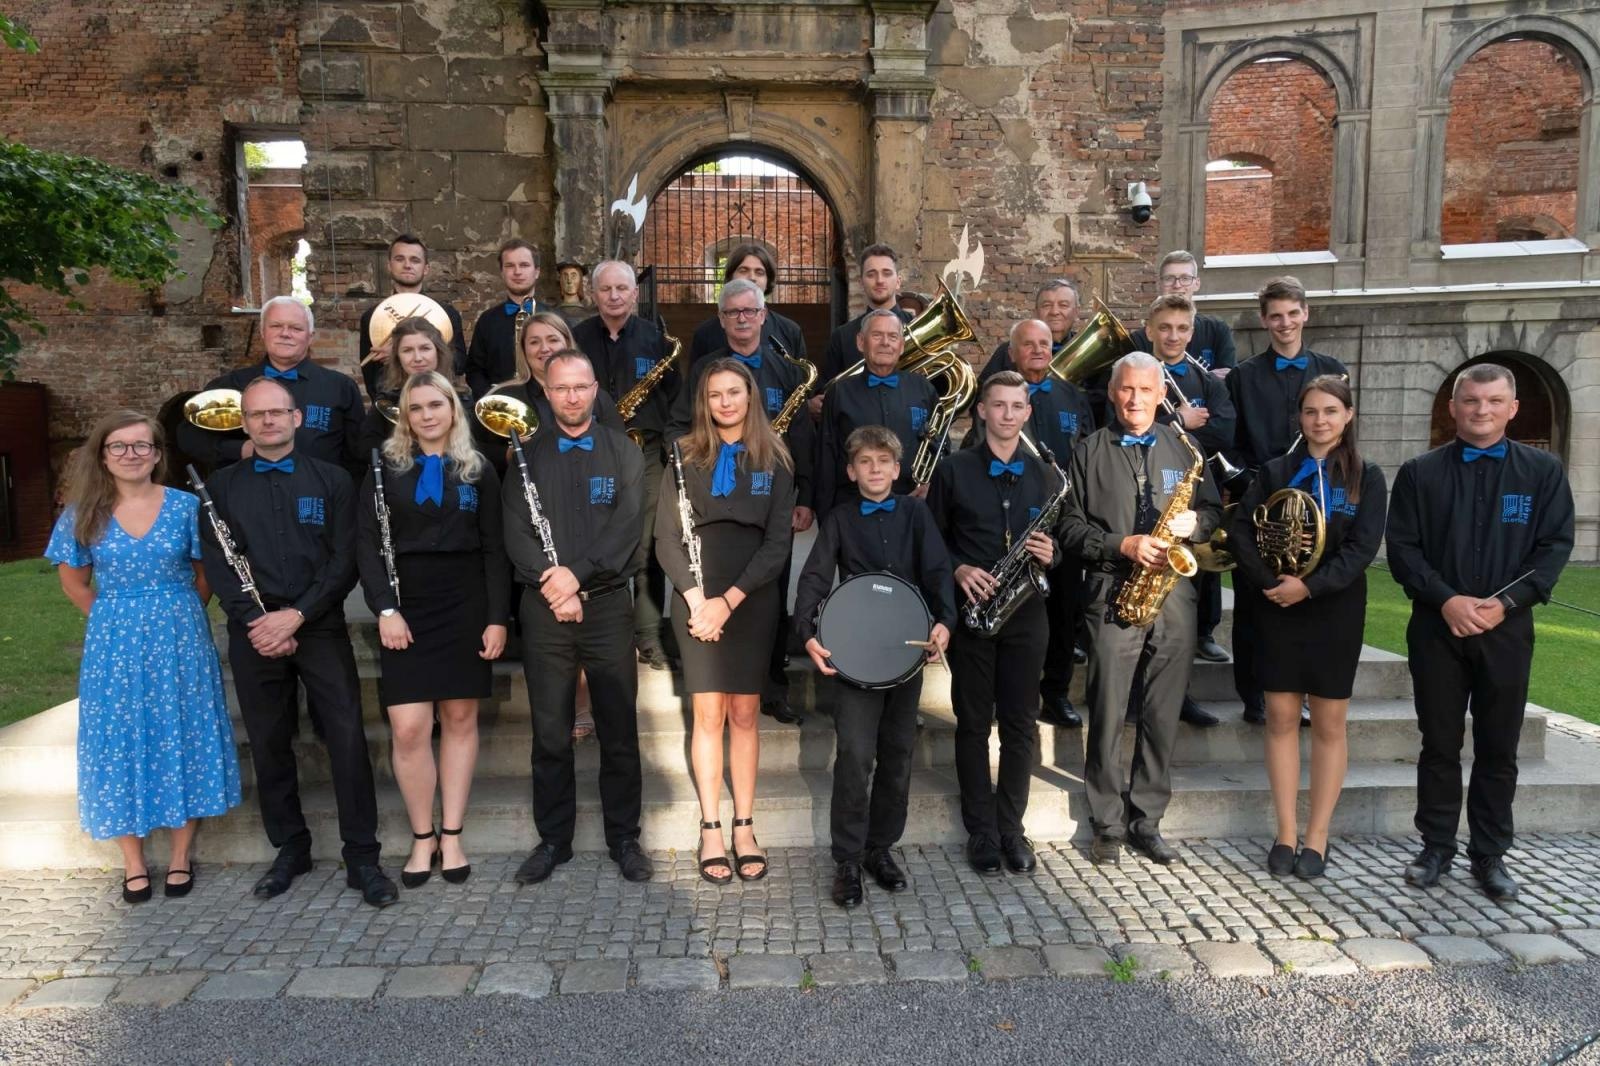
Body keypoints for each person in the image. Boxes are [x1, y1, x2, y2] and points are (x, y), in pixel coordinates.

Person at [199, 377, 396, 907]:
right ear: (245, 424)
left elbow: (344, 558)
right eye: (257, 415)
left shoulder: (333, 479)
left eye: (277, 412)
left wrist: (298, 615)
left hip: (320, 625)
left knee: (348, 737)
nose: (268, 421)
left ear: (297, 419)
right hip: (254, 633)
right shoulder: (220, 486)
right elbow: (219, 563)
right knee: (268, 739)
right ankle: (291, 847)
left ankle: (363, 855)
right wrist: (261, 623)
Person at [1386, 363, 1574, 901]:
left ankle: (1490, 855)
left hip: (1507, 631)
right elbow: (1403, 549)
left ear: (1512, 408)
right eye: (1471, 400)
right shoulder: (1420, 472)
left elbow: (1555, 547)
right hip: (1436, 628)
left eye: (1493, 401)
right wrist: (1446, 599)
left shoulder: (1543, 472)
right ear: (1453, 406)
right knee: (1439, 744)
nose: (1481, 410)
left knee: (1499, 747)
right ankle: (1436, 846)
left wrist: (1505, 603)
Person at [45, 411, 241, 903]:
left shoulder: (184, 507)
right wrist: (111, 616)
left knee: (184, 728)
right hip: (114, 642)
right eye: (119, 446)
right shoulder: (82, 511)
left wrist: (178, 614)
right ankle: (132, 861)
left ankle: (179, 856)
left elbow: (206, 572)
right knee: (117, 738)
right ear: (103, 456)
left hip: (180, 635)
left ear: (157, 454)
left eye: (141, 445)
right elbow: (72, 580)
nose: (131, 454)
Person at [1059, 353, 1222, 868]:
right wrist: (1121, 545)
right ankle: (1106, 823)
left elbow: (1215, 512)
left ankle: (1146, 820)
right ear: (1113, 392)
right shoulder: (1088, 450)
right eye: (1126, 389)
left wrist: (1193, 525)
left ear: (1159, 395)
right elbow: (1067, 527)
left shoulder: (1186, 448)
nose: (1134, 399)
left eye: (1145, 391)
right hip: (1112, 592)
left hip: (1173, 595)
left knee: (1161, 715)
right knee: (1107, 712)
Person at [504, 352, 653, 885]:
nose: (572, 397)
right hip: (544, 609)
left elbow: (627, 529)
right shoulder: (524, 454)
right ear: (545, 391)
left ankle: (624, 839)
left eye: (581, 387)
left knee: (618, 730)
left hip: (608, 606)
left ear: (595, 390)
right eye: (561, 387)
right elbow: (516, 531)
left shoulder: (623, 452)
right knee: (549, 733)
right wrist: (554, 583)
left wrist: (578, 577)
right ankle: (553, 841)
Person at [1229, 375, 1386, 879]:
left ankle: (1317, 835)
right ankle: (1285, 832)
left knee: (1329, 723)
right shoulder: (1275, 471)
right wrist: (1270, 582)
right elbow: (1240, 530)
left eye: (1331, 412)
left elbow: (1362, 549)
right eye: (1311, 411)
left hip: (1334, 610)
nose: (1321, 420)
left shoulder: (1368, 476)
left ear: (1348, 416)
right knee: (1278, 717)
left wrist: (1310, 587)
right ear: (1299, 417)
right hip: (1278, 604)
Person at [357, 371, 509, 889]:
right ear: (405, 413)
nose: (425, 415)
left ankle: (452, 834)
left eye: (435, 405)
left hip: (464, 603)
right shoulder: (383, 467)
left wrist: (495, 617)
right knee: (409, 728)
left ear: (452, 409)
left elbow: (495, 548)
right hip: (405, 606)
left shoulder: (479, 469)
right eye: (415, 406)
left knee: (461, 717)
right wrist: (384, 610)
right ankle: (422, 837)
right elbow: (368, 547)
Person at [794, 426, 954, 907]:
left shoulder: (916, 513)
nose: (876, 469)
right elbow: (815, 578)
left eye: (884, 461)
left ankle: (880, 848)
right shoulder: (840, 519)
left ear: (897, 469)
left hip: (904, 654)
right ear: (851, 470)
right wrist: (807, 633)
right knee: (856, 756)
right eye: (866, 462)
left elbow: (938, 570)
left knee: (898, 753)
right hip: (856, 655)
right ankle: (847, 858)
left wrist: (946, 621)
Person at [655, 358, 796, 884]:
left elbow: (778, 543)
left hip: (751, 598)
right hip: (694, 598)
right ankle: (711, 826)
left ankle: (743, 825)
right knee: (708, 714)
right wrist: (697, 600)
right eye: (715, 395)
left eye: (734, 392)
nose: (726, 402)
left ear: (750, 396)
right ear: (704, 402)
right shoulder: (682, 456)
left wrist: (728, 601)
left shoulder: (776, 459)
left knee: (744, 713)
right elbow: (665, 538)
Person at [927, 371, 1061, 876]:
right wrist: (959, 566)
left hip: (1027, 613)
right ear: (981, 411)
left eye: (1016, 406)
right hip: (975, 613)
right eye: (998, 405)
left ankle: (1012, 828)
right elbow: (933, 541)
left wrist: (1054, 552)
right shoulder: (954, 470)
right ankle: (981, 831)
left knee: (1022, 725)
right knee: (973, 724)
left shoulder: (1045, 475)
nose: (1007, 414)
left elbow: (1061, 539)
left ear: (1028, 413)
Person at [668, 278, 815, 725]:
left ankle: (771, 686)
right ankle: (709, 671)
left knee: (769, 590)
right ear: (721, 320)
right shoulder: (705, 370)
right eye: (733, 313)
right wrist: (695, 466)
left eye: (749, 311)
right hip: (715, 495)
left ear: (764, 315)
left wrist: (803, 493)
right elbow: (678, 427)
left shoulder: (786, 369)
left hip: (770, 496)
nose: (742, 319)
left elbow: (803, 436)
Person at [1224, 276, 1347, 726]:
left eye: (1293, 313)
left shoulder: (1332, 369)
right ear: (1264, 320)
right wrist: (1250, 487)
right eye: (1275, 316)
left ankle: (1307, 691)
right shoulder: (1243, 375)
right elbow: (1229, 443)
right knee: (1255, 601)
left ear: (1306, 314)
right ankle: (1253, 694)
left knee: (1311, 600)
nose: (1285, 323)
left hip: (1317, 501)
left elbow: (1342, 433)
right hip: (1259, 501)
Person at [968, 319, 1097, 729]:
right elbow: (978, 448)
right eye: (1029, 344)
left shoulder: (1072, 396)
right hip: (1009, 521)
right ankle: (992, 696)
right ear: (1013, 351)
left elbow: (1086, 454)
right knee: (1006, 607)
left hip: (1061, 521)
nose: (1039, 350)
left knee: (1062, 611)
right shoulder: (1000, 397)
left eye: (1045, 343)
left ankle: (1055, 693)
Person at [572, 261, 678, 672]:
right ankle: (605, 632)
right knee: (593, 539)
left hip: (646, 451)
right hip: (590, 451)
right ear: (592, 294)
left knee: (648, 543)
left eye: (622, 288)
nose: (614, 296)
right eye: (606, 289)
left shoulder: (657, 341)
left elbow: (674, 401)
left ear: (635, 293)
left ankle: (649, 635)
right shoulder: (576, 339)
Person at [1142, 294, 1238, 725]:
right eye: (1165, 328)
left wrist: (1182, 430)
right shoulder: (1137, 373)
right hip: (1144, 497)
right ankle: (1135, 699)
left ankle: (1179, 698)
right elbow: (1127, 424)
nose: (1174, 336)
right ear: (1151, 331)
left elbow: (1225, 429)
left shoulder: (1207, 382)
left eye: (1182, 329)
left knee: (1183, 615)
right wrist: (1178, 422)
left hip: (1190, 494)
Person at [178, 297, 364, 479]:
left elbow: (358, 455)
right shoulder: (230, 385)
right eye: (276, 326)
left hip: (320, 500)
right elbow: (189, 436)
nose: (285, 333)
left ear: (310, 337)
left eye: (296, 328)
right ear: (262, 332)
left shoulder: (340, 387)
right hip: (247, 497)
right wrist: (239, 449)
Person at [813, 308, 939, 516]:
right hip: (852, 510)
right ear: (861, 342)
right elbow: (826, 456)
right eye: (877, 335)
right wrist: (826, 516)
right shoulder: (839, 392)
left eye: (893, 336)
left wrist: (932, 486)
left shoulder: (924, 388)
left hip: (913, 507)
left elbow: (940, 444)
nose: (885, 343)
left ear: (901, 345)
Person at [475, 311, 624, 473]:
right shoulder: (503, 397)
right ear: (524, 349)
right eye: (534, 342)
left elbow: (619, 447)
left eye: (553, 340)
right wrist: (507, 455)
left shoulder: (597, 396)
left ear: (567, 344)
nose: (544, 349)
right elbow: (473, 449)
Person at [358, 234, 467, 400]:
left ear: (426, 268)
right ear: (389, 265)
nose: (407, 265)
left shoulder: (447, 313)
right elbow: (370, 375)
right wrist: (382, 406)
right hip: (392, 399)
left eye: (415, 260)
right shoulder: (371, 316)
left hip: (438, 398)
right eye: (400, 259)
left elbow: (459, 364)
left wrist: (398, 352)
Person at [358, 316, 477, 460]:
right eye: (407, 350)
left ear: (438, 352)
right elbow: (366, 448)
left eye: (425, 348)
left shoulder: (463, 398)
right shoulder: (387, 400)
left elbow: (477, 446)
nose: (417, 358)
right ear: (398, 357)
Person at [813, 243, 909, 400]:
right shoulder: (841, 337)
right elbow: (824, 393)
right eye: (871, 274)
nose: (879, 280)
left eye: (886, 273)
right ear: (861, 282)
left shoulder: (916, 324)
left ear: (898, 281)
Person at [686, 243, 807, 364]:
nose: (752, 277)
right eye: (743, 270)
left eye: (759, 272)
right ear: (731, 277)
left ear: (768, 280)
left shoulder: (791, 331)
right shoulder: (705, 334)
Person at [1127, 251, 1238, 373]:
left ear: (1197, 284)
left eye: (1185, 278)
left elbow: (1230, 378)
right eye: (1169, 278)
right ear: (1159, 284)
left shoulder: (1217, 329)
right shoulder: (1138, 339)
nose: (1177, 285)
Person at [465, 238, 541, 399]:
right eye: (510, 266)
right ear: (502, 273)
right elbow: (474, 370)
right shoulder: (487, 321)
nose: (517, 272)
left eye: (524, 265)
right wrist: (491, 399)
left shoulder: (555, 318)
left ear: (537, 272)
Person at [976, 279, 1083, 380]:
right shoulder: (1009, 350)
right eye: (1046, 305)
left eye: (1063, 305)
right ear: (1036, 312)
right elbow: (984, 393)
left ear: (1076, 312)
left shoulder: (1084, 347)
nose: (1054, 312)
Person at [552, 259, 590, 327]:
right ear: (560, 280)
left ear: (580, 280)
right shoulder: (552, 314)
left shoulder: (590, 315)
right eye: (565, 276)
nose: (569, 281)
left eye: (573, 276)